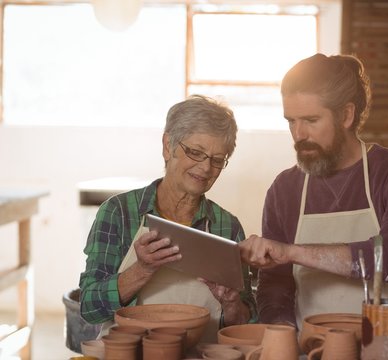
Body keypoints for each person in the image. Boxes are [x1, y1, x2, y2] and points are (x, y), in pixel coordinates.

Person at [239, 53, 388, 329]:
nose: (299, 134)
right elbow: (276, 284)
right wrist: (283, 336)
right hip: (316, 345)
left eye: (310, 119)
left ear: (346, 115)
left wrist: (292, 252)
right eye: (291, 121)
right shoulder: (284, 190)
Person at [79, 95, 257, 341]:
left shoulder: (227, 226)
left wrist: (231, 303)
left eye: (217, 160)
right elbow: (88, 308)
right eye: (196, 152)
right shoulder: (118, 212)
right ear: (167, 146)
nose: (206, 169)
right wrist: (141, 270)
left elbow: (245, 324)